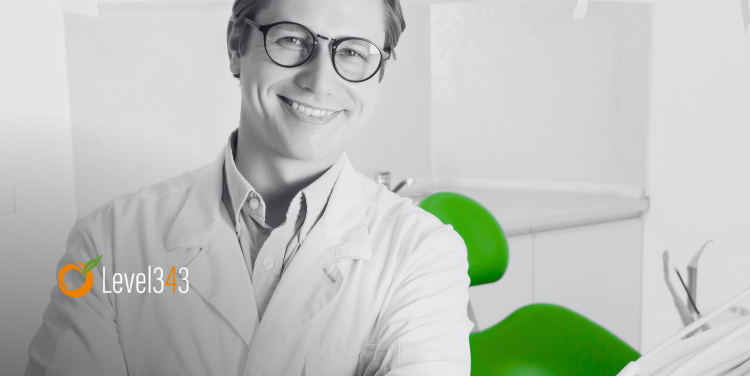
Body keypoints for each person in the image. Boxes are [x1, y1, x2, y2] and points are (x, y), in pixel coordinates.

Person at [25, 0, 473, 374]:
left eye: (354, 52)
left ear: (379, 74)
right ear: (237, 46)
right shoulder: (108, 242)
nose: (319, 80)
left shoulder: (423, 252)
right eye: (293, 39)